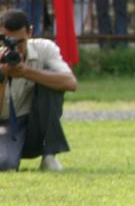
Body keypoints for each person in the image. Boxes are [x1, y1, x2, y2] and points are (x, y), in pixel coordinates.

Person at [0, 9, 77, 172]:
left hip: (33, 126)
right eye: (7, 42)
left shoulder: (44, 48)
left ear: (30, 32)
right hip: (5, 126)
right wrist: (2, 78)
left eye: (19, 42)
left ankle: (49, 156)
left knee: (51, 80)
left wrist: (27, 72)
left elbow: (70, 83)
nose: (14, 49)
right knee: (4, 164)